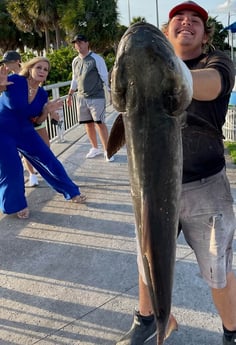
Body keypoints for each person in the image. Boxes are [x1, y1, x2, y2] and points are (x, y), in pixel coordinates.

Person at [116, 2, 236, 345]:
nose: (186, 23)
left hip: (204, 186)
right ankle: (150, 320)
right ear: (167, 32)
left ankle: (232, 331)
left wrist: (167, 77)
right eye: (178, 19)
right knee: (148, 257)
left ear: (205, 33)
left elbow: (213, 85)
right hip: (149, 185)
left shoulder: (217, 62)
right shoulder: (145, 70)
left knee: (219, 270)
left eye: (195, 20)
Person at [0, 56, 86, 219]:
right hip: (3, 130)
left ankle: (72, 192)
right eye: (38, 67)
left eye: (45, 70)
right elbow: (2, 90)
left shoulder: (41, 95)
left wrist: (46, 111)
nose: (42, 71)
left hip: (25, 130)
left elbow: (37, 121)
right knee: (12, 169)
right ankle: (17, 205)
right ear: (30, 69)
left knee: (50, 159)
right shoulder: (14, 81)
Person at [0, 50, 53, 187]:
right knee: (16, 158)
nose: (6, 66)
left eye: (8, 63)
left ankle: (44, 172)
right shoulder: (8, 79)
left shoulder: (28, 75)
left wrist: (49, 111)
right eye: (4, 63)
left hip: (33, 118)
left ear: (17, 62)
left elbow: (40, 93)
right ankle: (31, 174)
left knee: (45, 149)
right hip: (12, 124)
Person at [67, 34, 114, 162]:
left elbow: (105, 77)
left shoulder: (96, 59)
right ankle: (94, 148)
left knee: (100, 123)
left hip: (96, 97)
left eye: (80, 42)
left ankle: (107, 150)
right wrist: (70, 94)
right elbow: (75, 79)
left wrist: (111, 93)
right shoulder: (75, 61)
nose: (78, 45)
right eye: (76, 43)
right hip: (81, 97)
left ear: (87, 43)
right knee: (88, 124)